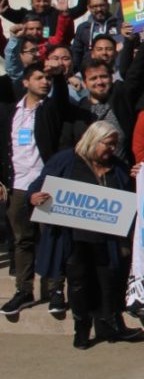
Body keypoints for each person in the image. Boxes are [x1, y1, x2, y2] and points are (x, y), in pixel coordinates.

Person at [26, 122, 144, 348]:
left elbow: (130, 196)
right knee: (79, 283)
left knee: (108, 281)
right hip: (74, 238)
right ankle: (81, 328)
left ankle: (112, 324)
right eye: (108, 145)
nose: (112, 149)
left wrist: (139, 177)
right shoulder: (66, 161)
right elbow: (38, 185)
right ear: (93, 140)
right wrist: (33, 196)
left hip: (107, 239)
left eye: (114, 145)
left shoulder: (118, 166)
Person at [0, 62, 71, 316]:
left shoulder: (49, 109)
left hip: (45, 183)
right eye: (39, 78)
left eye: (47, 79)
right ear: (25, 82)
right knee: (22, 239)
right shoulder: (9, 112)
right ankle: (24, 290)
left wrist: (59, 76)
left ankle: (55, 291)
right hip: (17, 185)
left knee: (52, 237)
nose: (45, 82)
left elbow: (60, 99)